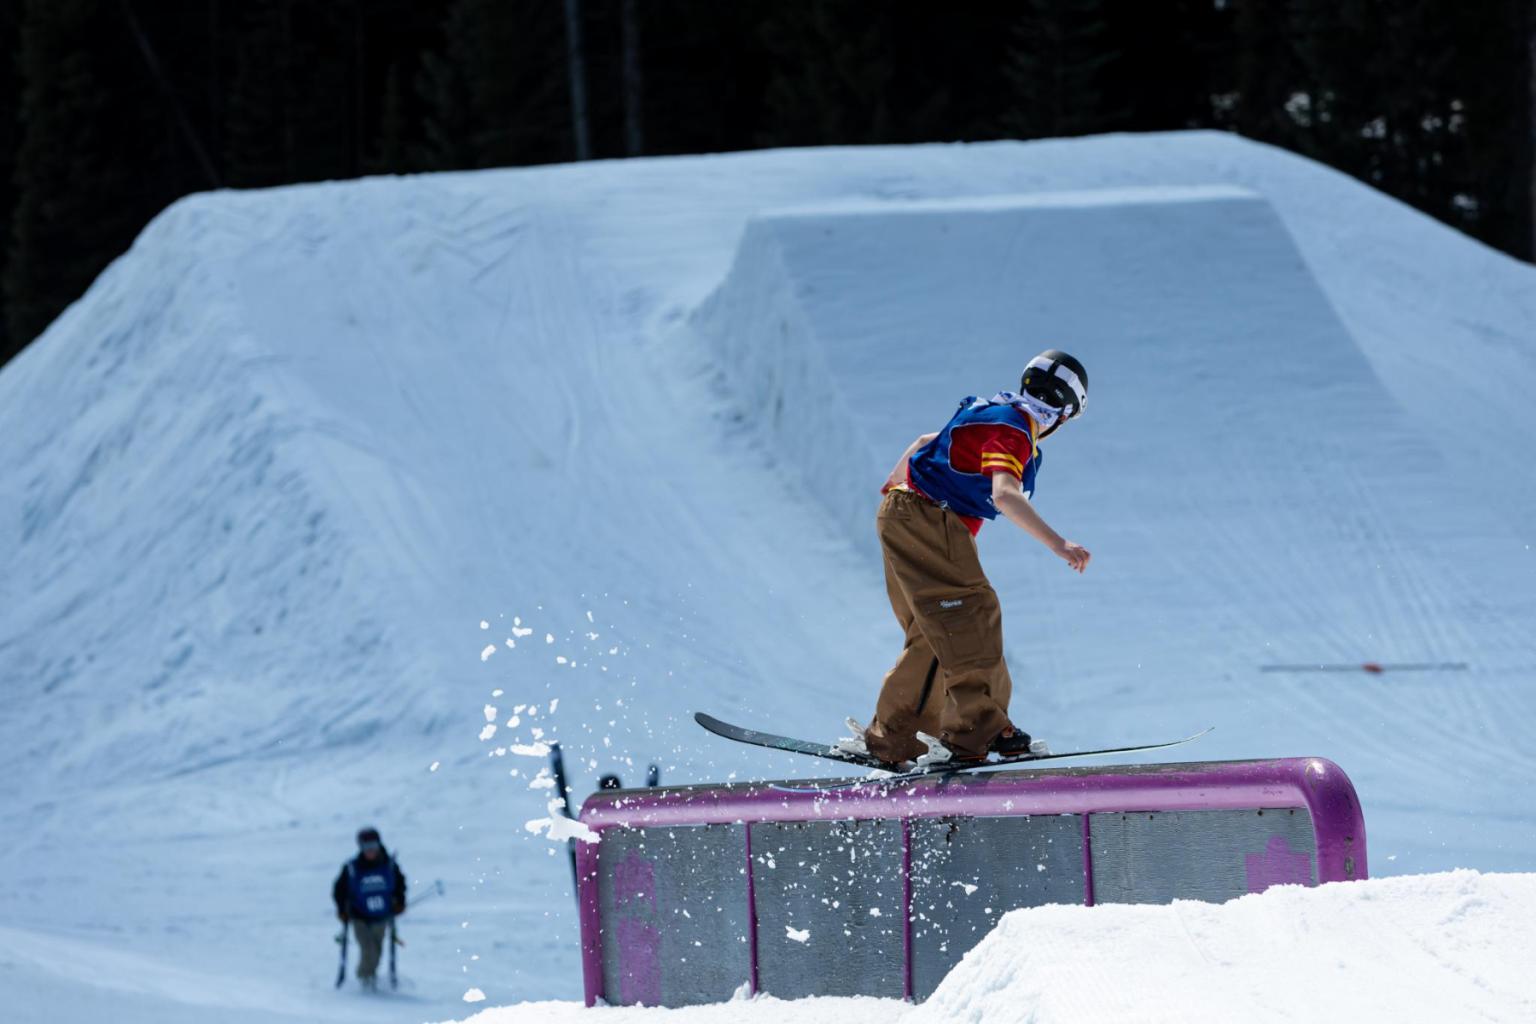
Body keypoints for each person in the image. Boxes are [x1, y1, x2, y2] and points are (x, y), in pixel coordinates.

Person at [854, 350, 1092, 767]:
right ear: (1064, 414)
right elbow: (1004, 494)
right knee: (973, 614)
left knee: (933, 632)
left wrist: (895, 488)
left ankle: (893, 740)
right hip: (930, 517)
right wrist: (1060, 545)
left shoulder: (992, 409)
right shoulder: (1016, 430)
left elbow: (925, 443)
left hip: (904, 513)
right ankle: (980, 731)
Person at [332, 827, 406, 990]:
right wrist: (341, 910)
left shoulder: (389, 865)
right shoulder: (352, 868)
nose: (370, 850)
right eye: (366, 846)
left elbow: (400, 885)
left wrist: (400, 902)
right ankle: (364, 980)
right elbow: (339, 890)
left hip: (382, 916)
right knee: (368, 950)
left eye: (373, 845)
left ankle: (370, 978)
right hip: (359, 917)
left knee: (377, 952)